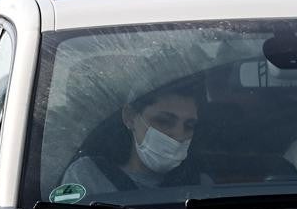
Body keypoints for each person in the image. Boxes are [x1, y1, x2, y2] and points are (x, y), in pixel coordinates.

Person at [61, 80, 202, 193]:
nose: (178, 134)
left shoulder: (201, 184)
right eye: (163, 121)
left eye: (189, 126)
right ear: (130, 117)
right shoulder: (87, 175)